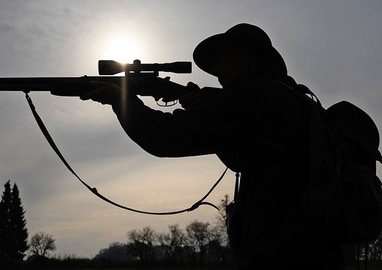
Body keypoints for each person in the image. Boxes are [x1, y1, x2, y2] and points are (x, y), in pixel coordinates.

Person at [81, 23, 343, 269]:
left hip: (284, 256)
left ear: (249, 57)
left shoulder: (255, 98)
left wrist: (120, 99)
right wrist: (202, 109)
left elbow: (162, 136)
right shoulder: (291, 98)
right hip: (308, 251)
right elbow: (241, 160)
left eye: (223, 58)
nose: (217, 69)